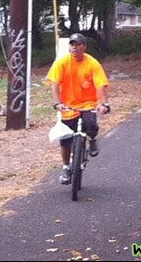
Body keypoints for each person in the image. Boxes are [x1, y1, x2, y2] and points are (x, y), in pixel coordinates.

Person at [47, 33, 111, 185]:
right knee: (65, 140)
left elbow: (100, 84)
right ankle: (66, 167)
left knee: (91, 125)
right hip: (67, 106)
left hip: (87, 104)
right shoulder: (62, 63)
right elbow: (54, 84)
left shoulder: (92, 63)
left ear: (84, 46)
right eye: (72, 44)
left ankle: (93, 140)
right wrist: (57, 102)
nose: (74, 47)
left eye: (77, 44)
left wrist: (104, 103)